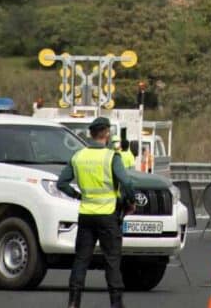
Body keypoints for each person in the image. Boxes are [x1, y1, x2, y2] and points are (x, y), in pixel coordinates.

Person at [58, 116, 136, 308]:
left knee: (81, 260)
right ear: (107, 133)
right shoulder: (111, 157)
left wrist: (77, 195)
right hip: (108, 215)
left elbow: (61, 183)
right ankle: (116, 303)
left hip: (86, 215)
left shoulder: (78, 156)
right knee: (112, 261)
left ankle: (73, 302)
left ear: (91, 134)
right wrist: (131, 201)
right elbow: (126, 182)